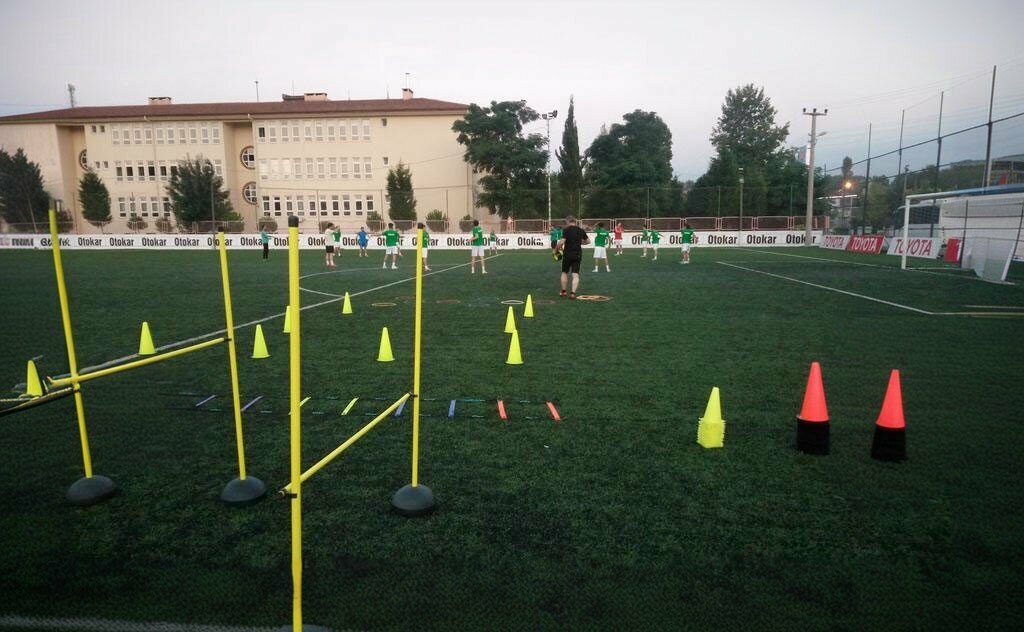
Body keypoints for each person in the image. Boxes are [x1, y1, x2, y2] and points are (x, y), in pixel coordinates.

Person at [556, 215, 589, 299]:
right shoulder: (581, 230)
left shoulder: (566, 230)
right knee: (575, 274)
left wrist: (556, 249)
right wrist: (580, 243)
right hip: (577, 254)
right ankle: (573, 293)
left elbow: (562, 242)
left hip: (567, 254)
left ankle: (563, 292)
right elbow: (588, 241)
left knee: (564, 272)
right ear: (575, 221)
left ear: (568, 222)